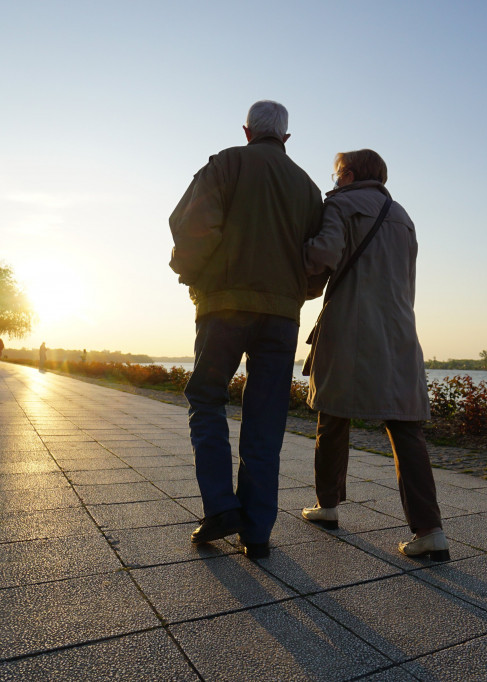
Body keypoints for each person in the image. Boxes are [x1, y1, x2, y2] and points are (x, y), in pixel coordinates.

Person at [169, 100, 323, 560]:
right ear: (286, 138)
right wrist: (298, 291)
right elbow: (318, 257)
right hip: (282, 315)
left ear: (247, 130)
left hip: (224, 305)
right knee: (266, 416)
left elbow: (192, 225)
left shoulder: (226, 164)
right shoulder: (308, 187)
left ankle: (220, 508)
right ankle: (257, 532)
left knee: (206, 397)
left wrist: (190, 273)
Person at [300, 149, 448, 561]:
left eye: (335, 173)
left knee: (332, 416)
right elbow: (408, 278)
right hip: (398, 329)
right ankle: (430, 530)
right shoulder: (402, 215)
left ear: (347, 175)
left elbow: (323, 255)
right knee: (405, 427)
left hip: (349, 324)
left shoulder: (341, 205)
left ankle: (328, 505)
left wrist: (295, 254)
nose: (333, 180)